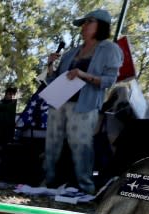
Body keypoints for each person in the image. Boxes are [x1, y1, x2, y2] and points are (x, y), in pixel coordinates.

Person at [42, 8, 123, 195]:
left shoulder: (110, 49)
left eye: (89, 22)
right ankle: (48, 182)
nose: (84, 26)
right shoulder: (72, 52)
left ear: (101, 26)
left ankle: (85, 187)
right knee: (51, 144)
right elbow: (53, 80)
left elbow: (110, 80)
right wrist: (50, 65)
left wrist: (83, 75)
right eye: (83, 23)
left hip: (84, 106)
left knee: (81, 146)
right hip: (59, 102)